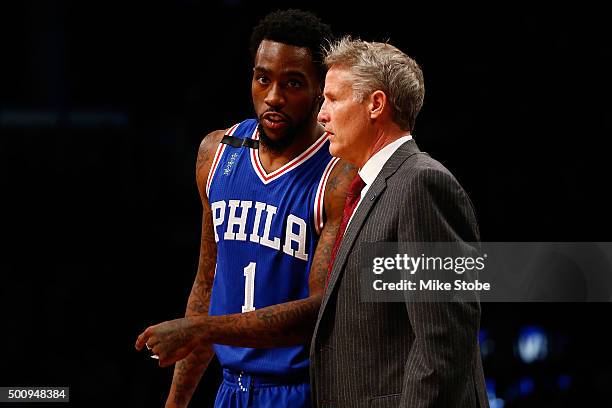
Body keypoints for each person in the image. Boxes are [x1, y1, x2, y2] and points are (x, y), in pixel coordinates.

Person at [135, 10, 355, 408]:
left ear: (321, 89)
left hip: (302, 390)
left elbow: (318, 313)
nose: (273, 96)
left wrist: (200, 329)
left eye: (293, 83)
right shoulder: (216, 153)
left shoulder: (339, 173)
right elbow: (206, 285)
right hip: (231, 389)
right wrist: (176, 403)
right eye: (263, 78)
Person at [310, 37, 489, 407]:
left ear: (376, 104)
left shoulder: (422, 184)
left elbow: (443, 343)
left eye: (333, 98)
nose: (321, 114)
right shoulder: (367, 189)